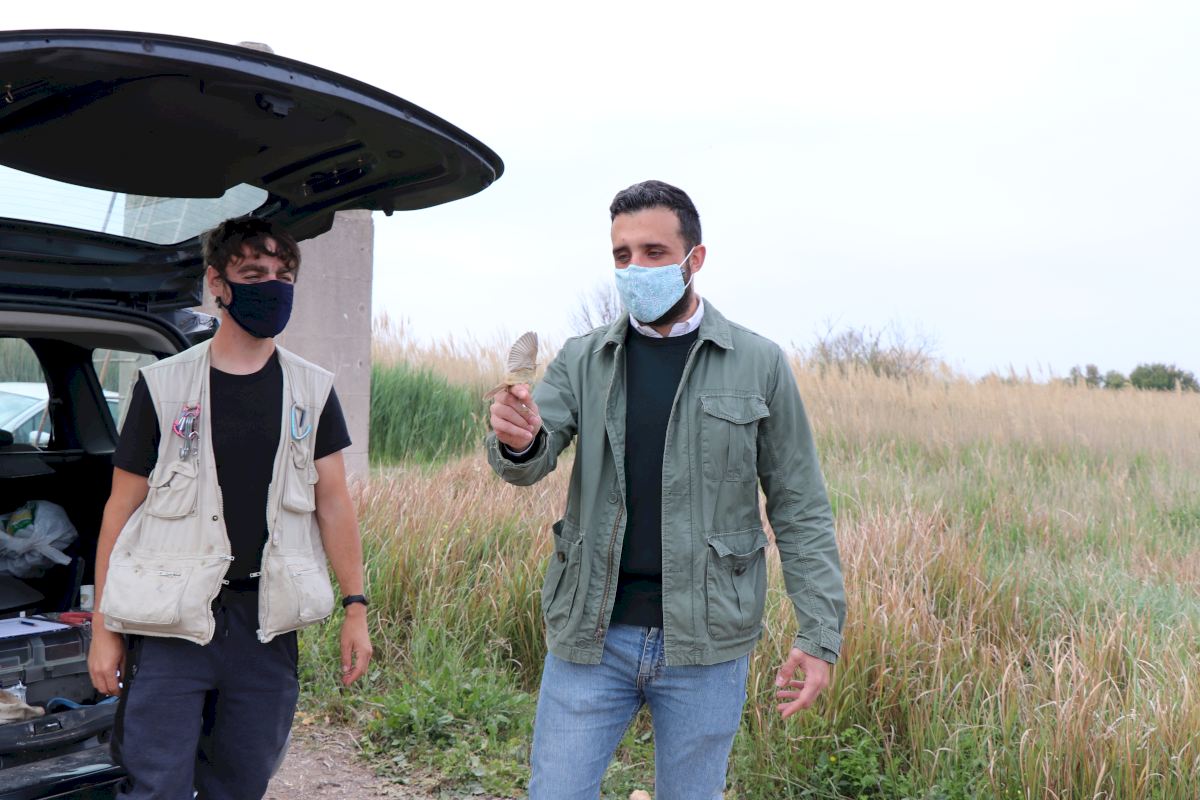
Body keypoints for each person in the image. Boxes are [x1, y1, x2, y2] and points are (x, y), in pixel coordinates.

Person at [486, 180, 845, 800]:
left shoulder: (758, 362)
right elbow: (530, 458)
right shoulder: (582, 359)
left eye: (654, 252)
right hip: (590, 634)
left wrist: (819, 633)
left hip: (707, 643)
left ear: (693, 259)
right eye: (622, 255)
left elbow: (800, 506)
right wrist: (516, 438)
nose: (635, 269)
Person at [87, 218, 372, 800]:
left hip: (264, 629)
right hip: (170, 626)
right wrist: (103, 627)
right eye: (254, 274)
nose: (273, 287)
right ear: (218, 283)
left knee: (241, 786)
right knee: (156, 787)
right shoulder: (162, 387)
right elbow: (120, 511)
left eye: (283, 276)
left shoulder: (312, 391)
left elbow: (334, 504)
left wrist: (356, 607)